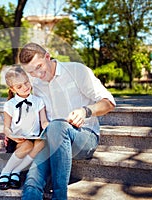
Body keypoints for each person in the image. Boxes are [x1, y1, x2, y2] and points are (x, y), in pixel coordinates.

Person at [18, 42, 116, 199]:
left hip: (84, 137)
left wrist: (86, 111)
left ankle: (59, 196)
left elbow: (109, 103)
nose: (37, 74)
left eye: (39, 67)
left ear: (47, 57)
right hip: (51, 140)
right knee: (31, 183)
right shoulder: (35, 84)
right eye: (31, 72)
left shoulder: (77, 71)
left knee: (57, 126)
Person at [0, 66, 49, 190]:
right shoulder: (9, 105)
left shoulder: (38, 101)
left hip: (34, 137)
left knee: (41, 143)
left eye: (26, 83)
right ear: (12, 89)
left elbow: (44, 122)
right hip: (17, 141)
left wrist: (50, 129)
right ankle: (5, 172)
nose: (25, 87)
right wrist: (12, 137)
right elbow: (6, 128)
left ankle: (16, 171)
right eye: (19, 86)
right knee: (27, 145)